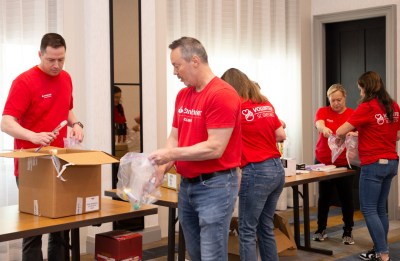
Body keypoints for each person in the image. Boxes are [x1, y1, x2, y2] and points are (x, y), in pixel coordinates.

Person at [148, 37, 241, 261]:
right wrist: (163, 165)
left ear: (195, 61)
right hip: (188, 186)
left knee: (212, 256)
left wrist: (170, 154)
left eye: (177, 65)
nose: (174, 72)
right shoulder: (183, 95)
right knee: (196, 254)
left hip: (215, 186)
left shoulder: (222, 94)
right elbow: (174, 137)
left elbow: (214, 147)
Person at [1, 33, 84, 261]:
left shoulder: (66, 78)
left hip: (60, 164)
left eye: (61, 60)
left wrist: (75, 124)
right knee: (34, 231)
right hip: (31, 167)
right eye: (51, 60)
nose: (56, 65)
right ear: (40, 55)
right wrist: (34, 136)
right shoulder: (24, 82)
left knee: (60, 230)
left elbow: (66, 109)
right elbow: (6, 123)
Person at [221, 68, 286, 261]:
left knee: (247, 229)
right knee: (265, 226)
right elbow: (281, 135)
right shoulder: (265, 103)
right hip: (276, 169)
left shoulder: (235, 108)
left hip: (256, 171)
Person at [336, 71, 400, 261]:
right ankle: (379, 250)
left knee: (369, 209)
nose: (360, 93)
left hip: (373, 164)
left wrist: (351, 134)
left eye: (360, 89)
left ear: (366, 87)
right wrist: (364, 134)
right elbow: (395, 134)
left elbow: (340, 131)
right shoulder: (393, 105)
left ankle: (383, 254)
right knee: (380, 209)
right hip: (391, 162)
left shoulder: (367, 106)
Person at [313, 84, 356, 245]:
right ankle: (321, 229)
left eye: (339, 100)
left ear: (345, 97)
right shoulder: (323, 111)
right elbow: (319, 123)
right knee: (324, 197)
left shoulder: (352, 114)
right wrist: (323, 129)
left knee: (347, 198)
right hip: (323, 162)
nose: (336, 103)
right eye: (332, 100)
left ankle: (348, 231)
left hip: (344, 163)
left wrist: (353, 133)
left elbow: (361, 132)